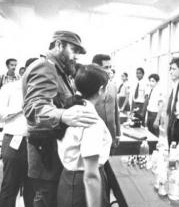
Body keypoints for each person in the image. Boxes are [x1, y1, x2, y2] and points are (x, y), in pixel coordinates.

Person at [22, 30, 98, 207]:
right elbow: (35, 107)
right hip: (46, 155)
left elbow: (54, 101)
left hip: (51, 153)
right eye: (74, 50)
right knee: (46, 200)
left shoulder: (58, 71)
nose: (76, 56)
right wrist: (63, 115)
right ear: (58, 45)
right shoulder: (46, 67)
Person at [57, 65, 112, 207]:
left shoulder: (71, 109)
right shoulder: (90, 119)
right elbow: (91, 175)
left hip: (68, 181)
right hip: (83, 188)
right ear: (101, 90)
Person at [0, 57, 37, 207]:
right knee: (10, 185)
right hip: (14, 141)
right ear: (26, 70)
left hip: (36, 143)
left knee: (32, 189)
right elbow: (1, 115)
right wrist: (22, 107)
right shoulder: (9, 88)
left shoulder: (44, 91)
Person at [92, 54, 120, 150]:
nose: (109, 71)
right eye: (106, 67)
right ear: (96, 68)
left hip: (111, 135)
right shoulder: (89, 87)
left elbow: (116, 112)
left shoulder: (113, 87)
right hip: (94, 135)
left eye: (110, 67)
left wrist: (118, 134)